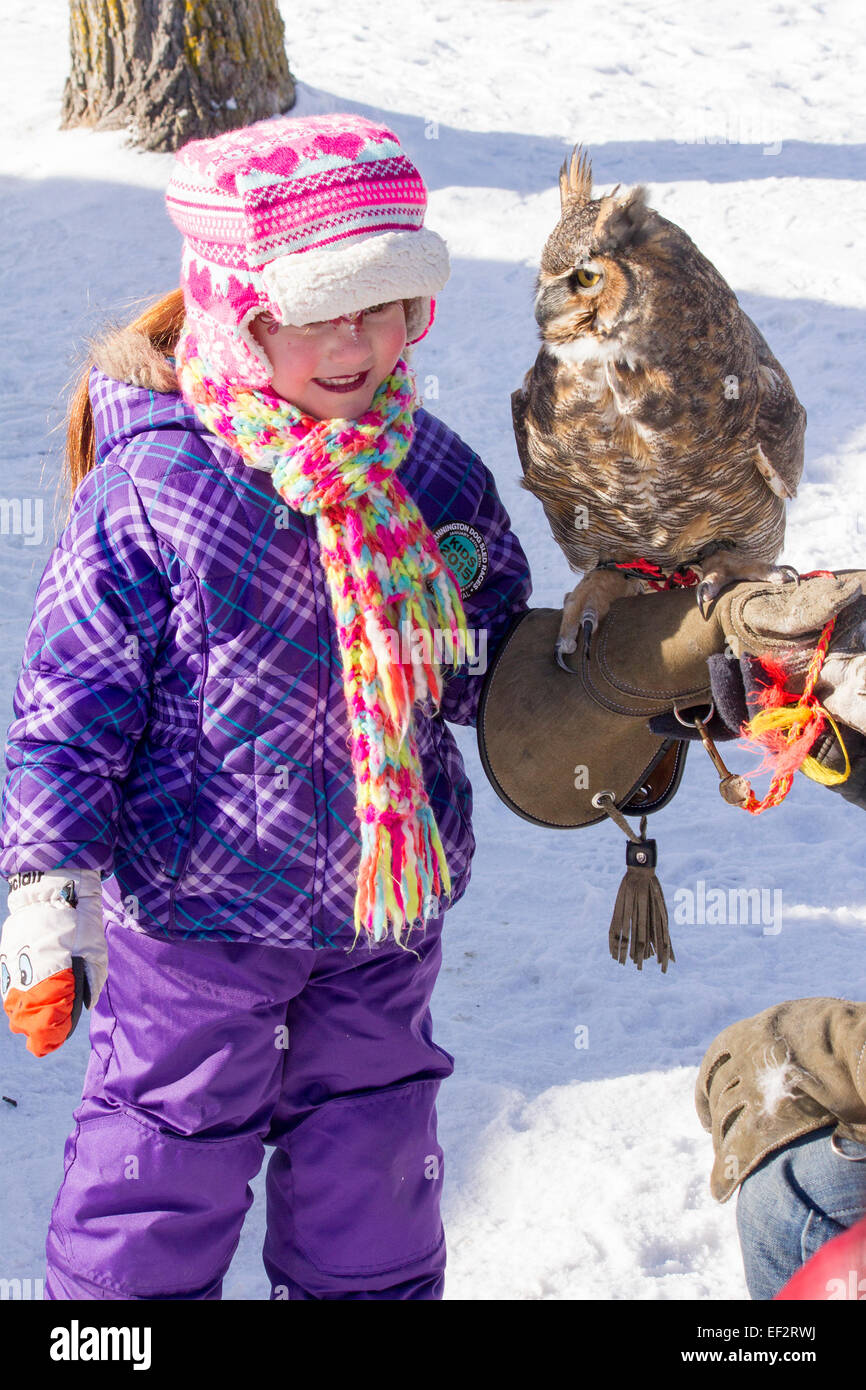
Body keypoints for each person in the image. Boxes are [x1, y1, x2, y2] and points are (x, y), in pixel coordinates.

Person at [0, 112, 532, 1300]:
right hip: (199, 916)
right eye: (321, 312)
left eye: (386, 308)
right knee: (158, 1162)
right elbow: (70, 706)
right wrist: (47, 889)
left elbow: (485, 659)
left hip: (380, 910)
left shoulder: (427, 470)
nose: (360, 343)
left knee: (374, 1164)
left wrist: (605, 681)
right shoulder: (158, 486)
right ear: (239, 311)